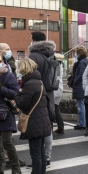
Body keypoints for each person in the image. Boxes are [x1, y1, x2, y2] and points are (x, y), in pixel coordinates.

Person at [14, 58, 51, 174]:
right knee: (40, 153)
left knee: (35, 154)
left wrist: (17, 93)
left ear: (23, 69)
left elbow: (23, 104)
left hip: (34, 122)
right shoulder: (39, 81)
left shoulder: (29, 84)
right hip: (42, 121)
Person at [28, 31, 56, 164]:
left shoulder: (33, 56)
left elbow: (29, 76)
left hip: (37, 94)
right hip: (50, 93)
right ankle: (47, 157)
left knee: (37, 127)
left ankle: (39, 159)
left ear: (34, 41)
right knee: (47, 126)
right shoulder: (52, 54)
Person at [70, 45, 88, 130]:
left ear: (79, 53)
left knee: (81, 106)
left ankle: (82, 123)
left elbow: (81, 74)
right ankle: (82, 123)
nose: (76, 54)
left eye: (76, 53)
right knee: (81, 105)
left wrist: (75, 81)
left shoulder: (81, 62)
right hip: (81, 86)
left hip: (79, 86)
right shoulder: (84, 61)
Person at [53, 53, 65, 133]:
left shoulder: (55, 66)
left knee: (54, 108)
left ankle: (60, 126)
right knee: (56, 108)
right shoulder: (60, 66)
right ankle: (61, 126)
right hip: (59, 89)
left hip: (54, 90)